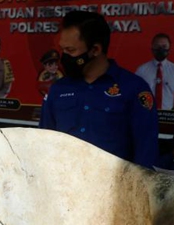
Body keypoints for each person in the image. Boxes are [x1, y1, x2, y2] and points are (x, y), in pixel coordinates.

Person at [39, 11, 159, 168]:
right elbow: (43, 144)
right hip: (64, 187)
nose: (64, 57)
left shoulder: (134, 88)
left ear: (95, 49)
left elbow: (146, 152)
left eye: (71, 50)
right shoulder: (58, 89)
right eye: (63, 50)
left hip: (114, 188)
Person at [135, 33, 174, 111]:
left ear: (169, 48)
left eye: (164, 46)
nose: (160, 49)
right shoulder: (141, 70)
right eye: (157, 46)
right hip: (146, 114)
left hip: (168, 115)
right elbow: (134, 93)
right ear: (152, 47)